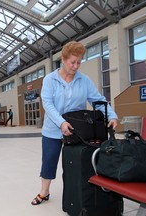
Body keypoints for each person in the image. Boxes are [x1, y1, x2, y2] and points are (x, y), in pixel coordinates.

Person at [31, 41, 118, 205]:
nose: (76, 66)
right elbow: (47, 104)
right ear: (63, 59)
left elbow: (98, 100)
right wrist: (61, 122)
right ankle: (44, 191)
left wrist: (112, 116)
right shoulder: (50, 80)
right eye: (73, 62)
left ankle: (76, 193)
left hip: (77, 131)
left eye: (79, 62)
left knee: (77, 163)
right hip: (53, 129)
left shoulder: (84, 80)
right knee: (49, 160)